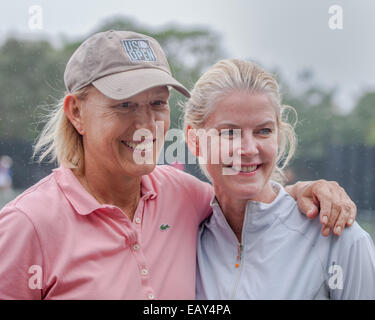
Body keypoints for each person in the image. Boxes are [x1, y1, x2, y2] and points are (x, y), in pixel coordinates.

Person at [0, 31, 356, 300]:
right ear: (76, 112)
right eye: (124, 105)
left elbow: (249, 197)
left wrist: (306, 190)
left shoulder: (183, 195)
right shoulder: (26, 224)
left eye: (157, 103)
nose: (145, 123)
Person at [182, 59, 375, 299]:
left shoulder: (339, 238)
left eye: (263, 130)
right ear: (194, 140)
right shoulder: (180, 236)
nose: (249, 149)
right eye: (230, 132)